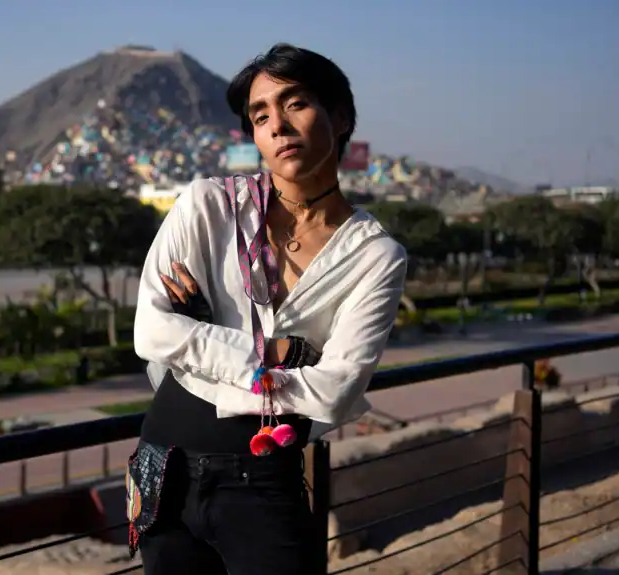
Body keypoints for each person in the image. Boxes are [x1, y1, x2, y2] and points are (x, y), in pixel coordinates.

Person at [126, 44, 407, 575]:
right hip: (164, 466)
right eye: (260, 116)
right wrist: (284, 353)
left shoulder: (375, 257)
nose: (277, 125)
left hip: (262, 480)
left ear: (340, 116)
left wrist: (204, 342)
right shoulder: (208, 206)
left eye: (295, 103)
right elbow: (151, 333)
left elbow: (335, 391)